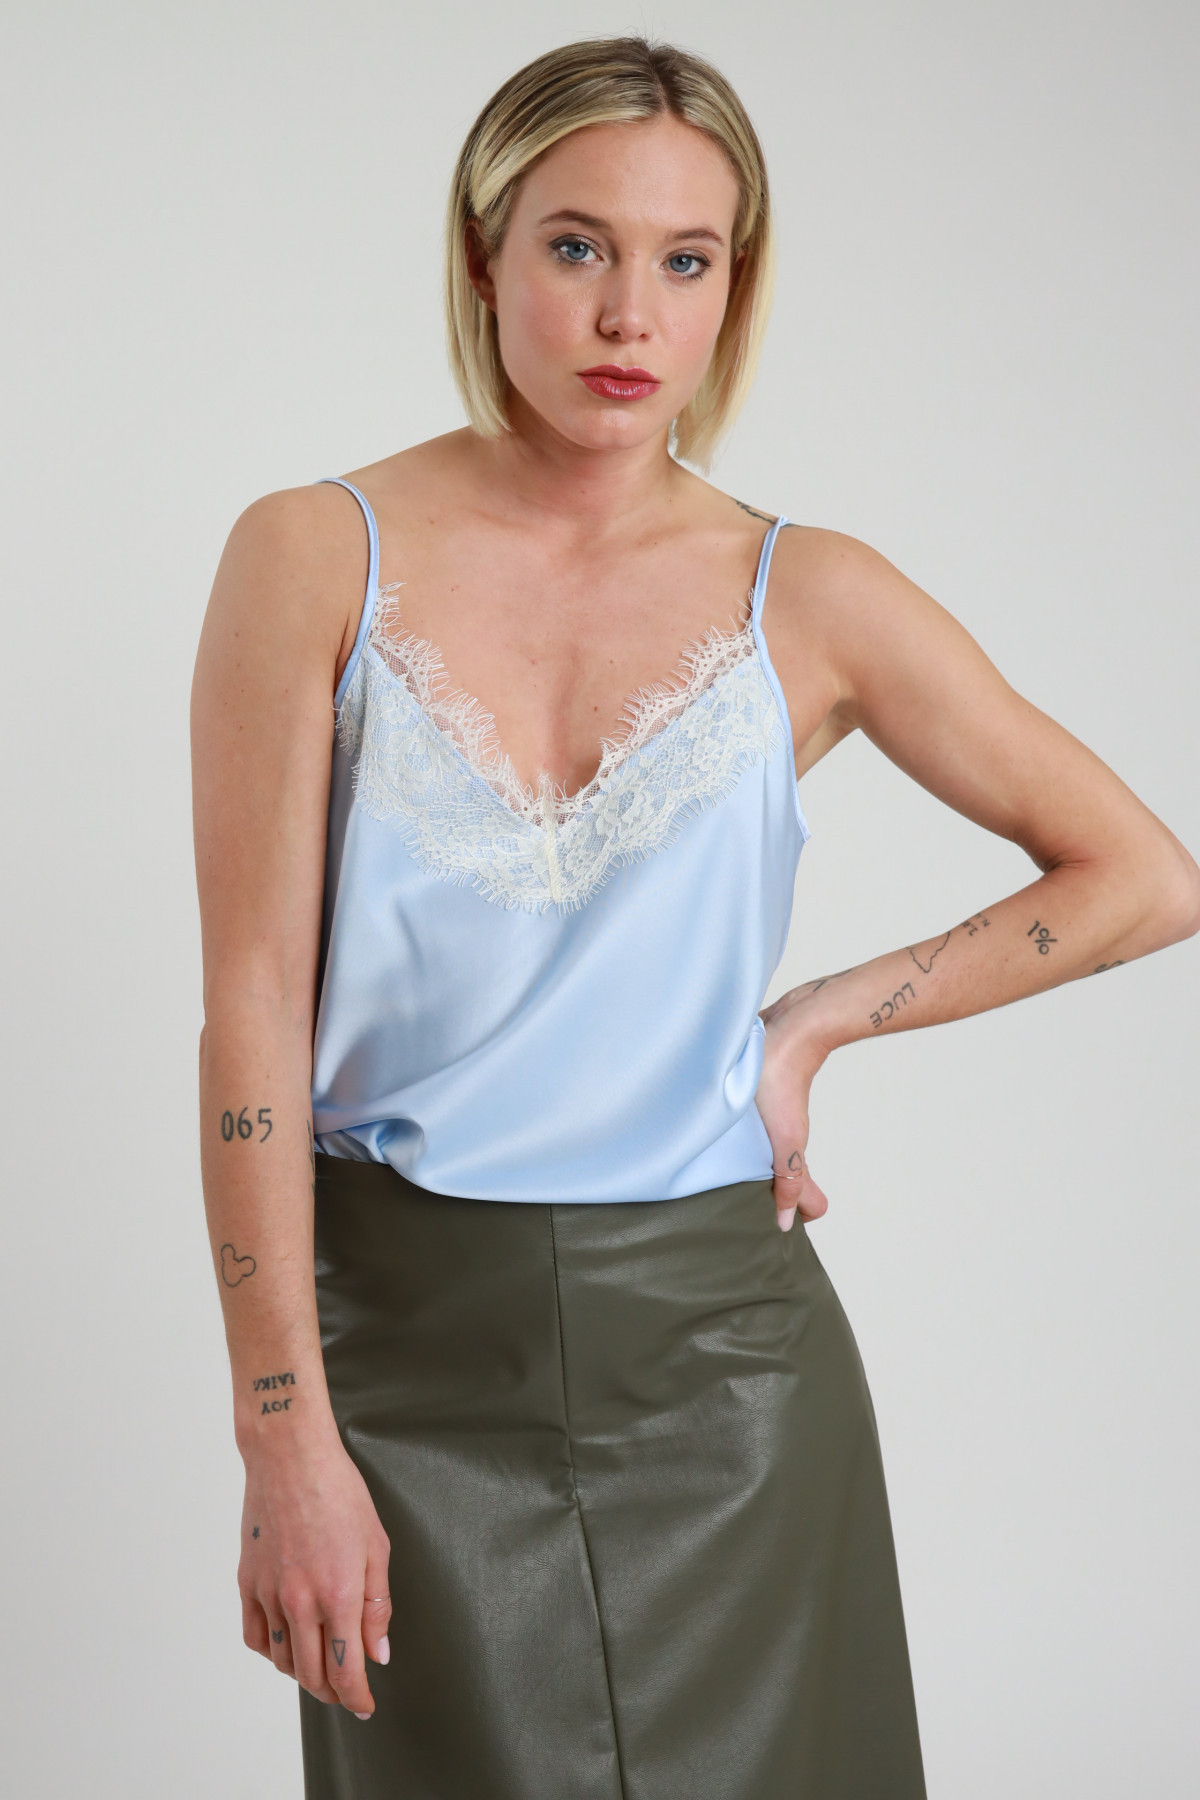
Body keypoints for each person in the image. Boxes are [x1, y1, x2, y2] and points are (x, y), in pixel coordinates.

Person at [190, 34, 1200, 1800]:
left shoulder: (809, 594)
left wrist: (821, 1019)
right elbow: (253, 1010)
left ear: (736, 287)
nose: (628, 315)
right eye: (577, 245)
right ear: (484, 253)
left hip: (730, 1374)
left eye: (686, 260)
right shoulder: (311, 555)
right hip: (404, 1360)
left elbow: (1142, 875)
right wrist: (284, 1442)